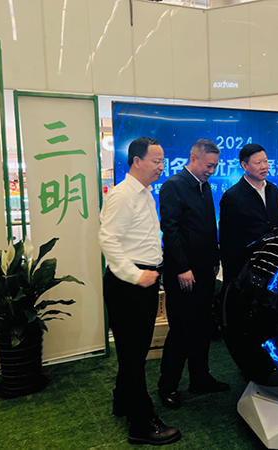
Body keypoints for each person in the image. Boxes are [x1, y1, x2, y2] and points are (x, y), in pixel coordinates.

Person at [99, 137, 181, 446]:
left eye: (162, 162)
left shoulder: (145, 193)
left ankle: (122, 400)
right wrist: (135, 275)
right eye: (156, 161)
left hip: (142, 281)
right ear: (137, 161)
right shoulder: (123, 195)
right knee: (134, 355)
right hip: (129, 284)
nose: (161, 167)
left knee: (133, 351)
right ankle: (141, 423)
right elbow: (108, 240)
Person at [158, 138, 230, 409]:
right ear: (193, 158)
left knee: (202, 327)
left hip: (205, 270)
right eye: (208, 165)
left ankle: (200, 379)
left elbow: (210, 228)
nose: (211, 170)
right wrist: (183, 267)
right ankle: (168, 386)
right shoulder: (174, 186)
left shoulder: (205, 186)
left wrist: (214, 260)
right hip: (183, 273)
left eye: (215, 166)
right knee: (181, 331)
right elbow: (170, 230)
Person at [219, 143, 278, 285]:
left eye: (265, 161)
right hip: (245, 270)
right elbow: (227, 242)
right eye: (258, 163)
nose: (264, 166)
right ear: (244, 165)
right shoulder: (232, 197)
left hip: (272, 267)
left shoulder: (273, 190)